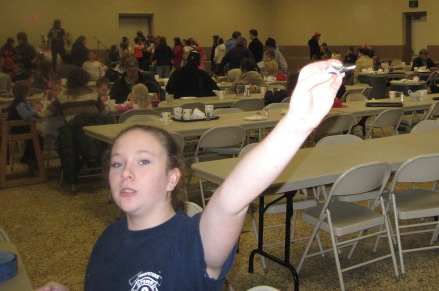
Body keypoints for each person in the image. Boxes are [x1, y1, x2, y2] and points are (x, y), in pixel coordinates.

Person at [36, 60, 344, 291]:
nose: (126, 172)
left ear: (173, 178)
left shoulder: (190, 242)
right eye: (117, 164)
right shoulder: (107, 240)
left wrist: (296, 124)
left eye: (143, 162)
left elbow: (231, 200)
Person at [7, 80, 43, 168]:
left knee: (38, 136)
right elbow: (26, 115)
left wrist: (33, 109)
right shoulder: (19, 103)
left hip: (17, 126)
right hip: (18, 128)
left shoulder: (19, 101)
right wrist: (36, 109)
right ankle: (30, 158)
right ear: (26, 91)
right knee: (40, 138)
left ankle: (29, 157)